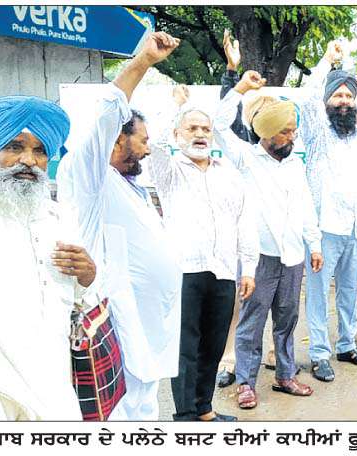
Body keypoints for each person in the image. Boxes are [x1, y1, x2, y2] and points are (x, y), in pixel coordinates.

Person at [56, 31, 183, 420]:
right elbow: (108, 113)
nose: (147, 148)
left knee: (144, 412)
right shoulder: (88, 178)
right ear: (115, 141)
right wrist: (142, 63)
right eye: (141, 140)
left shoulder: (131, 185)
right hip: (116, 329)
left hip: (149, 332)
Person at [0, 96, 101, 420]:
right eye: (14, 147)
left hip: (51, 377)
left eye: (40, 151)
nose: (28, 160)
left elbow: (79, 298)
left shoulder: (60, 218)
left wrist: (87, 275)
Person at [147, 85, 259, 421]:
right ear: (177, 134)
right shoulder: (169, 170)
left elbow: (244, 220)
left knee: (213, 344)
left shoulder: (229, 174)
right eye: (192, 128)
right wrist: (175, 106)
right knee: (185, 347)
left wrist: (248, 268)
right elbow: (154, 144)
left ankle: (205, 409)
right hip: (185, 270)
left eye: (205, 129)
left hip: (223, 270)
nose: (199, 134)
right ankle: (185, 417)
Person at [215, 70, 324, 406]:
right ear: (266, 132)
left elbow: (305, 205)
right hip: (258, 257)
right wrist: (239, 89)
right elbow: (219, 125)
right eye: (285, 131)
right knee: (252, 322)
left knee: (287, 320)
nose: (292, 136)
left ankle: (285, 376)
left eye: (293, 130)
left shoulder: (294, 164)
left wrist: (314, 244)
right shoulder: (246, 158)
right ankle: (246, 382)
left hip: (292, 256)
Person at [297, 41, 357, 382]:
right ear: (327, 100)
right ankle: (319, 353)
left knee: (350, 291)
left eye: (349, 96)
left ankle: (347, 344)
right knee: (318, 293)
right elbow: (306, 99)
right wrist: (326, 62)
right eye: (338, 96)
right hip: (325, 229)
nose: (344, 101)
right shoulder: (318, 131)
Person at [215, 29, 277, 387]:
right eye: (260, 113)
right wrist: (232, 74)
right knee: (239, 301)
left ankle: (272, 352)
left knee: (276, 301)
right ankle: (231, 358)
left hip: (276, 239)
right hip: (241, 236)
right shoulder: (240, 148)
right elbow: (222, 119)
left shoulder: (284, 152)